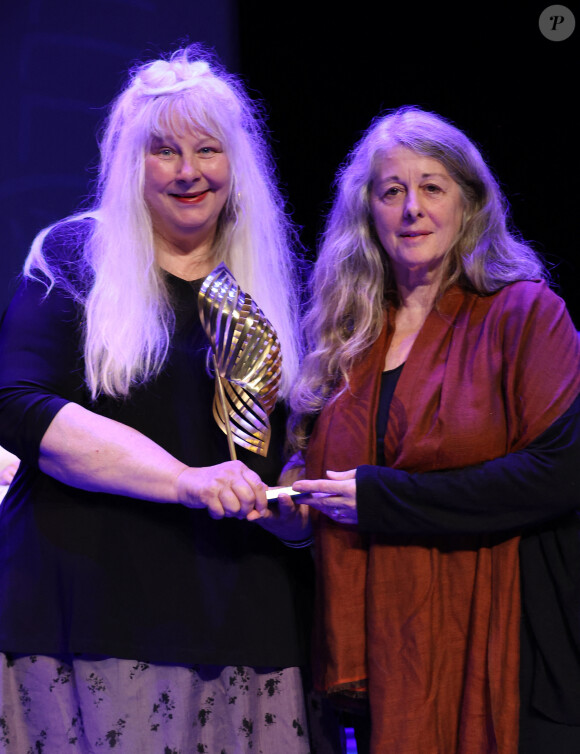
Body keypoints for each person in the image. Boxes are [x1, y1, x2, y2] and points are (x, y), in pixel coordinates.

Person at [0, 46, 315, 753]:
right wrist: (185, 481)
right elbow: (18, 403)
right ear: (129, 166)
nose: (187, 171)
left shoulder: (271, 287)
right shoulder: (75, 260)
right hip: (86, 619)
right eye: (163, 151)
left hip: (240, 624)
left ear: (237, 169)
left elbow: (284, 462)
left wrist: (294, 512)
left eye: (208, 149)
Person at [289, 107, 580, 753]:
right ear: (368, 213)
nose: (411, 208)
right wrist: (283, 505)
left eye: (432, 187)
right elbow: (310, 472)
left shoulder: (527, 314)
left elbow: (558, 474)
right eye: (392, 191)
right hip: (365, 661)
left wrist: (384, 501)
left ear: (469, 203)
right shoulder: (344, 338)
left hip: (505, 647)